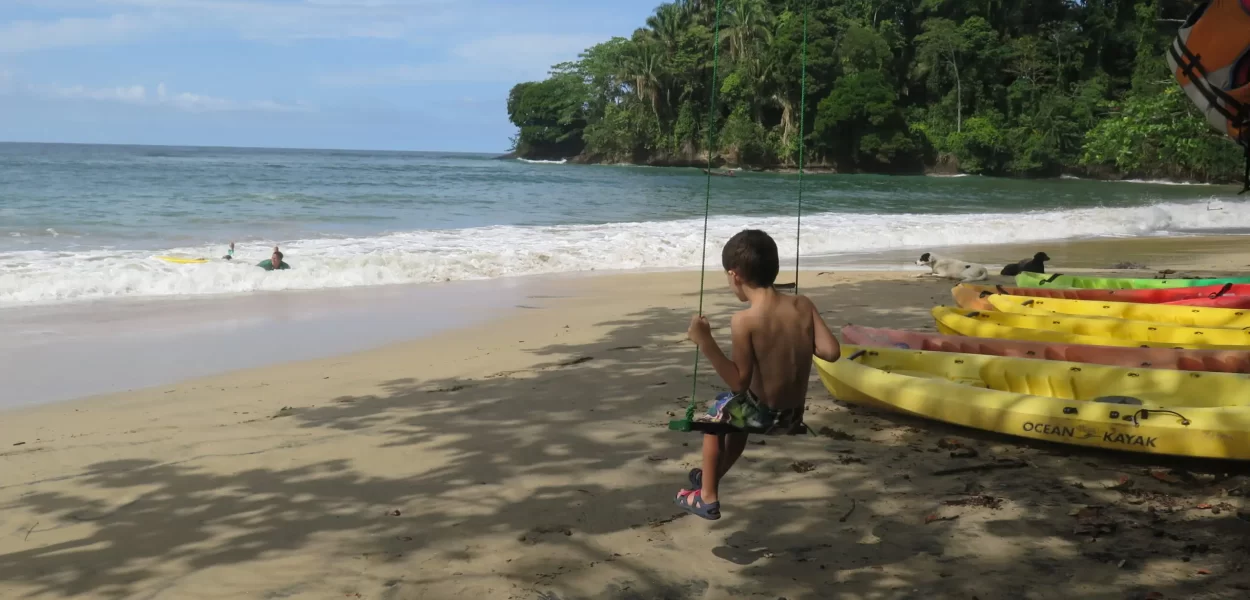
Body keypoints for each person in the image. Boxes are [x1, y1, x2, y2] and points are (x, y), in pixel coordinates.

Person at [675, 229, 841, 520]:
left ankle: (707, 498)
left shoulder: (744, 320)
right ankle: (710, 477)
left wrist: (706, 342)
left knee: (717, 413)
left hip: (763, 416)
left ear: (734, 275)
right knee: (736, 421)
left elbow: (739, 381)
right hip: (791, 417)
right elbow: (830, 352)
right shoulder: (802, 304)